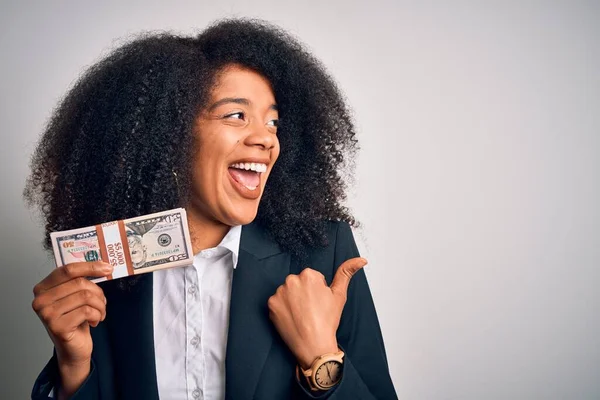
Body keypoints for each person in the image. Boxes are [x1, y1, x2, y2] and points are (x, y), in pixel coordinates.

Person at [26, 19, 398, 399]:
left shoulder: (322, 253)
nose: (266, 138)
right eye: (236, 115)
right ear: (170, 132)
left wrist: (322, 359)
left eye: (273, 123)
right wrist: (73, 367)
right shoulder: (109, 268)